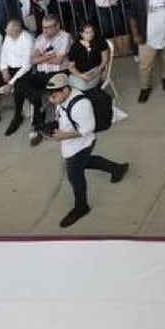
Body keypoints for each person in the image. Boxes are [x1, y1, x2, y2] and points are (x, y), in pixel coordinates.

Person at [43, 72, 129, 228]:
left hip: (82, 145)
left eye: (54, 96)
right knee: (85, 163)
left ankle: (81, 207)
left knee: (75, 175)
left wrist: (63, 136)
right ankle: (117, 168)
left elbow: (88, 129)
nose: (51, 100)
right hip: (71, 143)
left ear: (66, 90)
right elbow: (62, 114)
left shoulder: (81, 105)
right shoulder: (62, 98)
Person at [0, 19, 33, 136]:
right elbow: (4, 54)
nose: (6, 34)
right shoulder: (8, 36)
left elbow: (26, 66)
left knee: (18, 91)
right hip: (9, 69)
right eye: (6, 31)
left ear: (17, 31)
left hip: (23, 71)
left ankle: (17, 116)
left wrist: (11, 82)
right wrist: (4, 69)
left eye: (9, 33)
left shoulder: (27, 40)